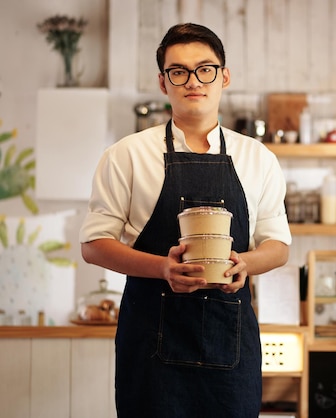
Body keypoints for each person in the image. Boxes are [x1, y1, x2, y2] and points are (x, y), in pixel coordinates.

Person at [80, 22, 291, 417]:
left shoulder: (257, 157)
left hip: (231, 347)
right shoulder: (126, 155)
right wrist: (163, 268)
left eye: (205, 69)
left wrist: (244, 263)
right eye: (178, 71)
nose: (193, 81)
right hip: (150, 353)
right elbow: (94, 245)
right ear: (163, 83)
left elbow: (278, 246)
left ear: (224, 76)